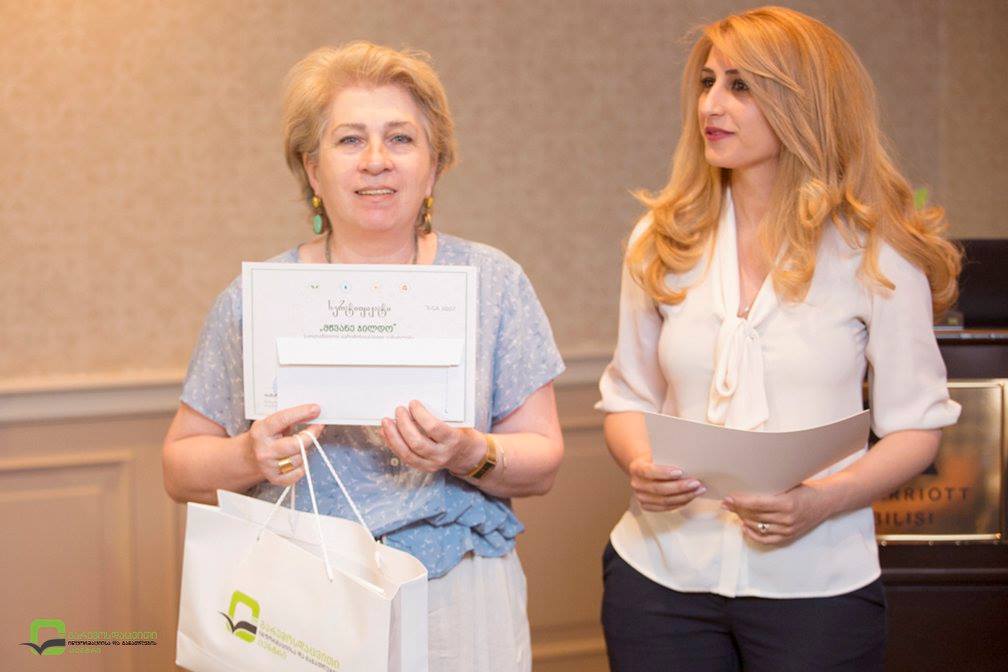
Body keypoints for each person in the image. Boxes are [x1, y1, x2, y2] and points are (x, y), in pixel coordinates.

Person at [162, 41, 565, 672]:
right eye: (350, 140)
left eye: (401, 139)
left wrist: (466, 453)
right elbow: (178, 467)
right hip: (299, 594)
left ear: (434, 167)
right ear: (313, 170)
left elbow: (542, 460)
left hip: (456, 595)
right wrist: (249, 456)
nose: (376, 160)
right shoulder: (256, 299)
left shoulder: (493, 283)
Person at [595, 7, 961, 671]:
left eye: (741, 86)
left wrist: (822, 502)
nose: (711, 104)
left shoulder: (876, 251)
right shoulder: (660, 240)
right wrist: (641, 466)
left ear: (806, 104)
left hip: (817, 591)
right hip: (657, 582)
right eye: (708, 82)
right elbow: (627, 399)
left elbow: (916, 428)